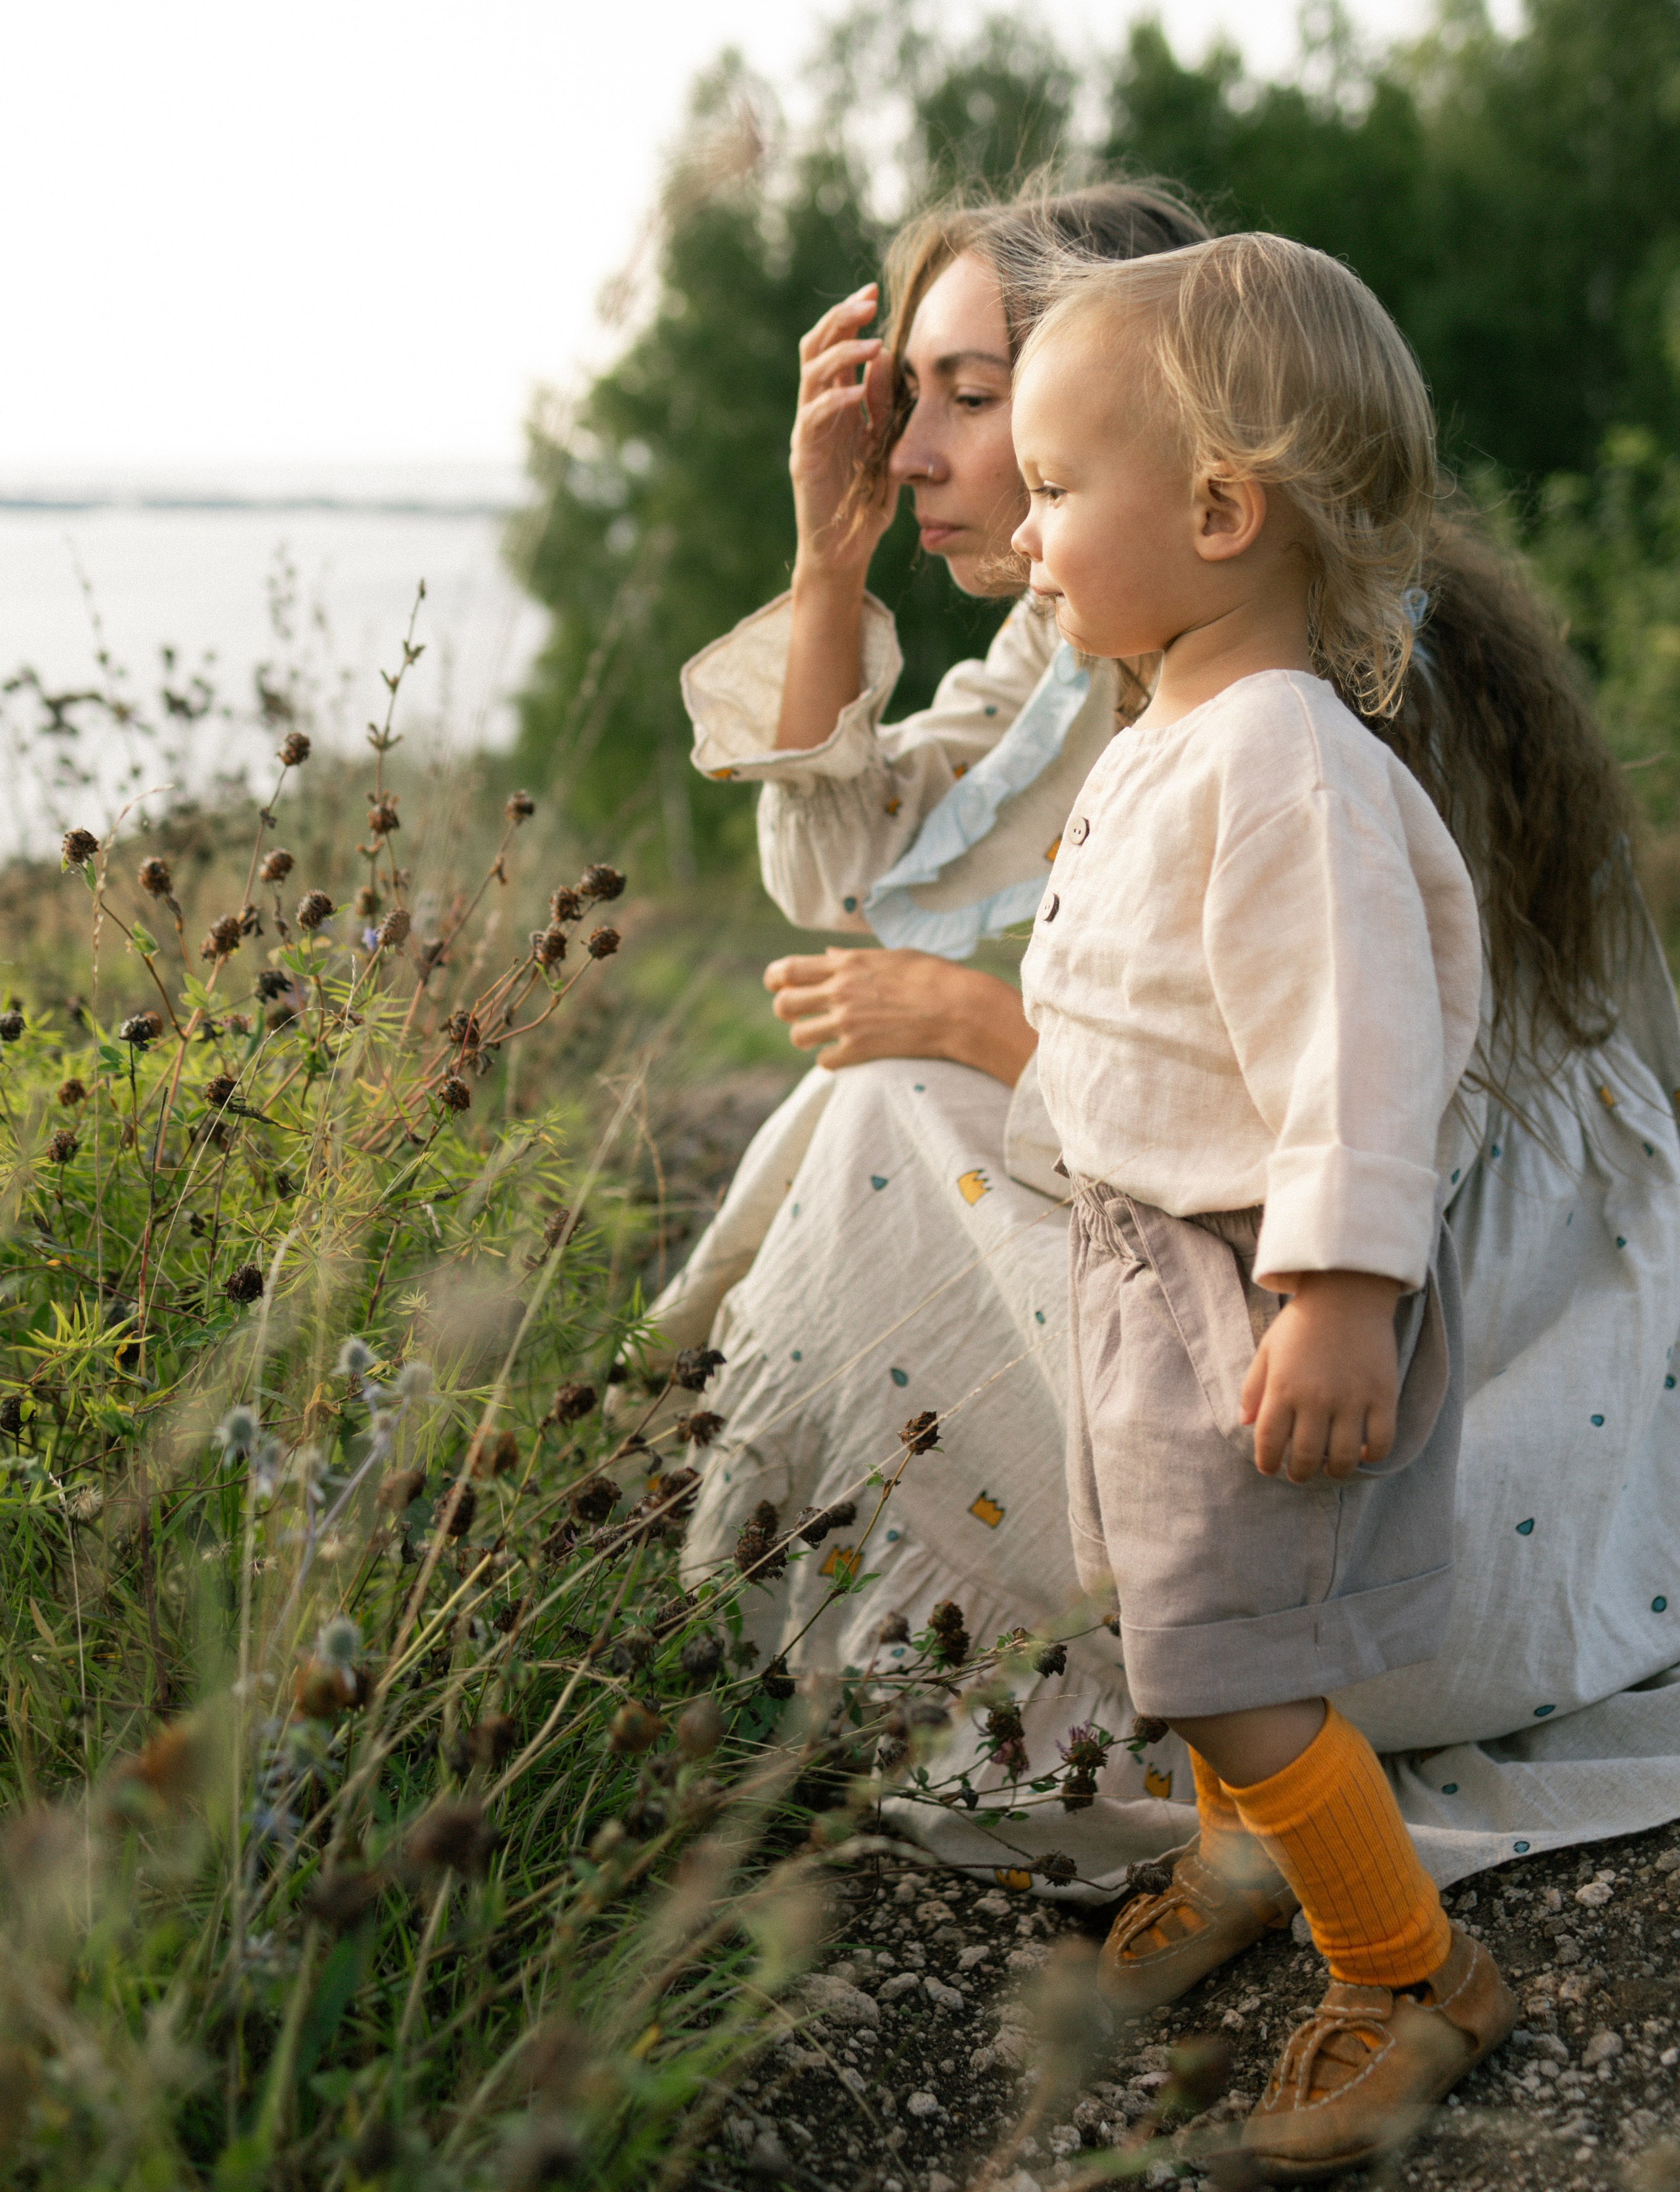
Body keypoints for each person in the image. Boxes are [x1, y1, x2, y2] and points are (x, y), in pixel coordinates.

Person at [661, 179, 1680, 1899]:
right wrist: (824, 570)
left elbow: (1373, 1098)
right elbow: (851, 869)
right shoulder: (1111, 644)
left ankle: (1368, 1925)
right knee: (878, 1096)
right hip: (1285, 1244)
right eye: (914, 396)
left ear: (1194, 452)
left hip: (1463, 1346)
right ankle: (787, 1545)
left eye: (980, 399)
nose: (917, 452)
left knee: (886, 1114)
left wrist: (994, 1024)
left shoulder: (1329, 698)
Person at [1011, 231, 1512, 2174]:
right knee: (1172, 1613)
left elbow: (1355, 1049)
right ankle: (1241, 1851)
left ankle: (1409, 1972)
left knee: (1232, 1650)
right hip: (1148, 1269)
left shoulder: (1286, 759)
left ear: (1219, 509)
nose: (1030, 533)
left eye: (1059, 490)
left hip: (1257, 1280)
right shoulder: (1173, 731)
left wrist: (1339, 1289)